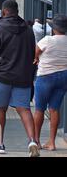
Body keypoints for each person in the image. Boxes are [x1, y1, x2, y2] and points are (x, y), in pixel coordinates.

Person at [0, 0, 39, 157]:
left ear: (3, 12)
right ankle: (32, 141)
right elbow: (31, 54)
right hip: (23, 77)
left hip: (2, 77)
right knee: (24, 109)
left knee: (0, 109)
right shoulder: (28, 30)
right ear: (17, 11)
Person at [33, 14, 67, 151]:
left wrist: (37, 58)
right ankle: (52, 142)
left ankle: (37, 141)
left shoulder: (47, 40)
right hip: (64, 76)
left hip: (45, 76)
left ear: (54, 28)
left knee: (39, 109)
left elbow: (36, 52)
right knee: (54, 109)